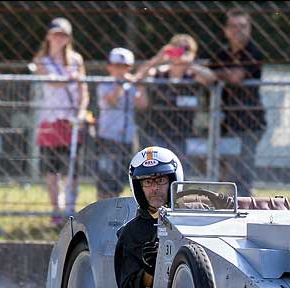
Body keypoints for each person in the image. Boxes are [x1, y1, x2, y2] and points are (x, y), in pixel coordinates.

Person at [33, 17, 89, 225]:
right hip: (50, 118)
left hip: (71, 120)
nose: (59, 38)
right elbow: (52, 83)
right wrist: (70, 78)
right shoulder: (42, 60)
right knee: (51, 168)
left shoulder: (76, 59)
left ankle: (71, 209)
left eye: (63, 35)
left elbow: (83, 88)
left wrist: (82, 111)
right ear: (49, 36)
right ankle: (56, 209)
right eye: (56, 34)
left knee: (71, 168)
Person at [209, 7, 266, 196]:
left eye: (242, 26)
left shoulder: (254, 52)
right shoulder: (222, 54)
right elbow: (206, 74)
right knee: (223, 166)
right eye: (233, 26)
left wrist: (215, 75)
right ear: (225, 30)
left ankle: (245, 203)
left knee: (243, 169)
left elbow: (236, 77)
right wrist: (215, 74)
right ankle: (222, 202)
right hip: (225, 121)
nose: (238, 30)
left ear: (249, 29)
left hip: (249, 121)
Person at [134, 34, 216, 163]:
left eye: (186, 49)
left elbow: (211, 79)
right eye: (177, 48)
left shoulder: (193, 75)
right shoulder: (160, 72)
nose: (181, 52)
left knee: (180, 172)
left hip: (183, 134)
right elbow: (138, 77)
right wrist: (157, 59)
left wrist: (189, 63)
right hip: (156, 132)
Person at [115, 147, 184, 288]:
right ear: (138, 187)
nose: (154, 188)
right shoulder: (130, 233)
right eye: (147, 182)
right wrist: (151, 270)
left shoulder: (194, 219)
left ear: (173, 181)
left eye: (160, 180)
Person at [96, 47, 148, 200]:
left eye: (124, 67)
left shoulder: (131, 85)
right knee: (106, 175)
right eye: (117, 66)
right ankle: (102, 204)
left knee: (120, 176)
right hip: (108, 136)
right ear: (109, 67)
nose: (120, 70)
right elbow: (113, 100)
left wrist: (139, 84)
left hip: (127, 137)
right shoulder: (104, 85)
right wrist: (121, 82)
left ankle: (115, 205)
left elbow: (142, 104)